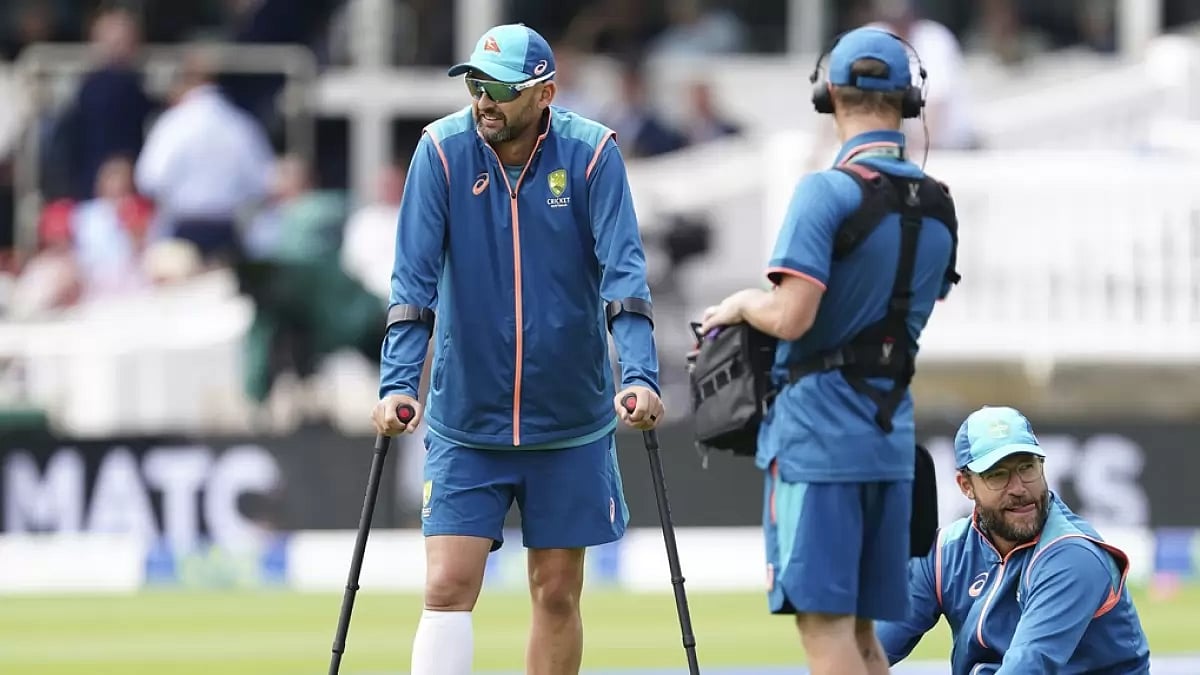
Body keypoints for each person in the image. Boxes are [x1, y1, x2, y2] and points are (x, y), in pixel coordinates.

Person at [370, 23, 664, 675]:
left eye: (500, 88)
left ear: (545, 93)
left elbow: (625, 276)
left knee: (556, 591)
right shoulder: (440, 152)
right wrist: (396, 382)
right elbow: (411, 282)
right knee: (447, 584)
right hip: (466, 417)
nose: (483, 100)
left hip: (569, 421)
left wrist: (640, 372)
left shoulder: (593, 155)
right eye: (476, 84)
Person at [698, 27, 960, 675]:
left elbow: (792, 314)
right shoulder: (938, 205)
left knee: (824, 628)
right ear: (909, 99)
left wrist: (739, 303)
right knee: (865, 633)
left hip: (819, 434)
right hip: (891, 436)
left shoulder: (824, 193)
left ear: (828, 94)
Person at [876, 406, 1152, 674]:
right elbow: (869, 649)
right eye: (998, 475)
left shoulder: (1073, 556)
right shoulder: (943, 554)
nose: (1019, 488)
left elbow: (1028, 665)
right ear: (966, 486)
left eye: (1027, 468)